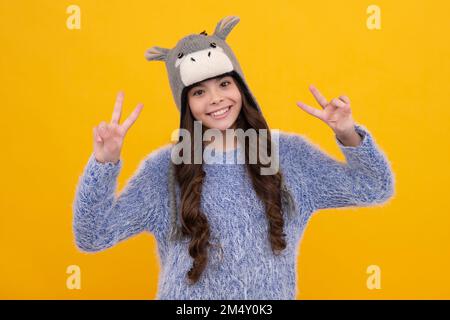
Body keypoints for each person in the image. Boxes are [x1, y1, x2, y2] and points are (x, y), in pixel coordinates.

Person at [72, 16, 395, 300]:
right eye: (198, 91)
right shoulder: (165, 169)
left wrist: (348, 133)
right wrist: (104, 163)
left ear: (241, 88)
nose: (216, 99)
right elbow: (93, 236)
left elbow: (374, 187)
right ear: (186, 104)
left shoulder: (289, 156)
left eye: (224, 83)